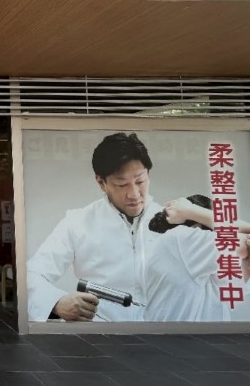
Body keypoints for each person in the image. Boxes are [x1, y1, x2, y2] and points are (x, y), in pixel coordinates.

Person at [27, 132, 163, 322]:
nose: (134, 194)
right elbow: (31, 275)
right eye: (121, 184)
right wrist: (56, 301)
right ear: (101, 182)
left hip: (163, 334)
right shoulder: (77, 222)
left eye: (140, 181)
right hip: (100, 336)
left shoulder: (172, 221)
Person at [145, 195, 250, 321]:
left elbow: (225, 293)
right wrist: (190, 210)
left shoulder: (176, 250)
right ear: (198, 227)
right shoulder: (181, 238)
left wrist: (249, 266)